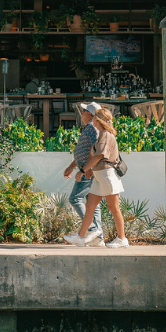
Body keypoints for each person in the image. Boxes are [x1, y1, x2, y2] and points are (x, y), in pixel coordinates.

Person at [72, 107, 128, 249]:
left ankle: (122, 239)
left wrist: (83, 170)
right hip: (99, 175)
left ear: (97, 120)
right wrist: (88, 170)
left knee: (113, 207)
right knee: (90, 206)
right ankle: (80, 237)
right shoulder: (102, 134)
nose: (92, 120)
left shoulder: (105, 135)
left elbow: (99, 156)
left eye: (94, 118)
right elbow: (93, 154)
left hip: (107, 175)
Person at [62, 102, 104, 247]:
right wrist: (71, 166)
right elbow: (85, 151)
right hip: (85, 169)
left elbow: (94, 150)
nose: (82, 113)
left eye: (84, 111)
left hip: (87, 171)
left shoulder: (92, 128)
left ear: (89, 114)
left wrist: (86, 170)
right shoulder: (89, 128)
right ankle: (98, 238)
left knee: (75, 198)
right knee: (93, 203)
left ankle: (93, 230)